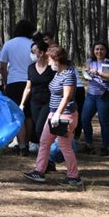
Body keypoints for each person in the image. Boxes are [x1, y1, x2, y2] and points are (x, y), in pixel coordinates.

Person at [23, 46, 83, 187]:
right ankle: (39, 171)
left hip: (65, 115)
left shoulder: (68, 74)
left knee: (64, 145)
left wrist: (58, 113)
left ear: (56, 59)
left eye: (49, 59)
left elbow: (67, 97)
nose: (48, 62)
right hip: (53, 113)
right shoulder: (58, 73)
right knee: (44, 142)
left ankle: (74, 177)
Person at [0, 19, 37, 156]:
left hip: (13, 83)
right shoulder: (33, 45)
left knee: (17, 115)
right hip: (30, 82)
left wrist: (5, 81)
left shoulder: (9, 44)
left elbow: (3, 66)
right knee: (28, 115)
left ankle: (21, 145)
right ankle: (26, 143)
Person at [79, 41, 109, 156]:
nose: (99, 52)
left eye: (102, 49)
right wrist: (86, 74)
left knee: (104, 121)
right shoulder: (90, 61)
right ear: (93, 50)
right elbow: (84, 71)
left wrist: (98, 73)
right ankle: (88, 145)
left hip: (105, 95)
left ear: (106, 51)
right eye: (96, 49)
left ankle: (105, 147)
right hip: (91, 95)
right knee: (84, 119)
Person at [19, 41, 56, 143]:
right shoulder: (30, 68)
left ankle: (47, 153)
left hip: (48, 102)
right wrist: (22, 104)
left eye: (34, 51)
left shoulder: (52, 68)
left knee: (40, 128)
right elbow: (28, 88)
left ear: (42, 53)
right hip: (34, 102)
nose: (32, 54)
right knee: (38, 129)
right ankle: (45, 152)